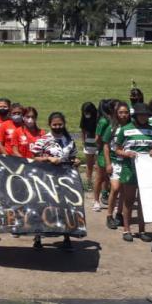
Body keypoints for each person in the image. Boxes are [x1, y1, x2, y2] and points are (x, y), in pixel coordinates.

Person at [30, 112, 79, 251]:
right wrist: (47, 159)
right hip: (46, 178)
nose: (57, 126)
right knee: (43, 206)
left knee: (65, 207)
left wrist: (76, 161)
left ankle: (66, 236)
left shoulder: (69, 140)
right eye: (54, 124)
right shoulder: (43, 139)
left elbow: (73, 156)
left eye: (60, 124)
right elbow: (34, 157)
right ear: (50, 125)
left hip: (64, 178)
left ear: (64, 124)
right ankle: (38, 237)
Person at [114, 103, 152, 243]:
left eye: (145, 115)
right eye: (141, 115)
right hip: (129, 168)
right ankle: (127, 230)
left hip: (147, 170)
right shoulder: (125, 130)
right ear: (136, 116)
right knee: (128, 200)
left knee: (143, 201)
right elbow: (117, 149)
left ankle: (142, 230)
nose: (143, 117)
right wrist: (126, 153)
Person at [104, 101, 129, 230]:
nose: (123, 115)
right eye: (121, 112)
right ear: (116, 114)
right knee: (115, 188)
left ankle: (119, 214)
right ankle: (109, 215)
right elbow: (106, 145)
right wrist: (108, 163)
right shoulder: (112, 127)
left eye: (126, 112)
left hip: (128, 163)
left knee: (125, 190)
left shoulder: (131, 127)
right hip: (115, 161)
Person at [80, 102, 99, 203]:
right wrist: (83, 141)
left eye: (87, 112)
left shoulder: (97, 118)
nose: (86, 114)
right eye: (84, 112)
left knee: (97, 165)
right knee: (89, 164)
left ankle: (97, 182)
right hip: (88, 144)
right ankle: (88, 182)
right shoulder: (84, 118)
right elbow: (82, 130)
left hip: (97, 144)